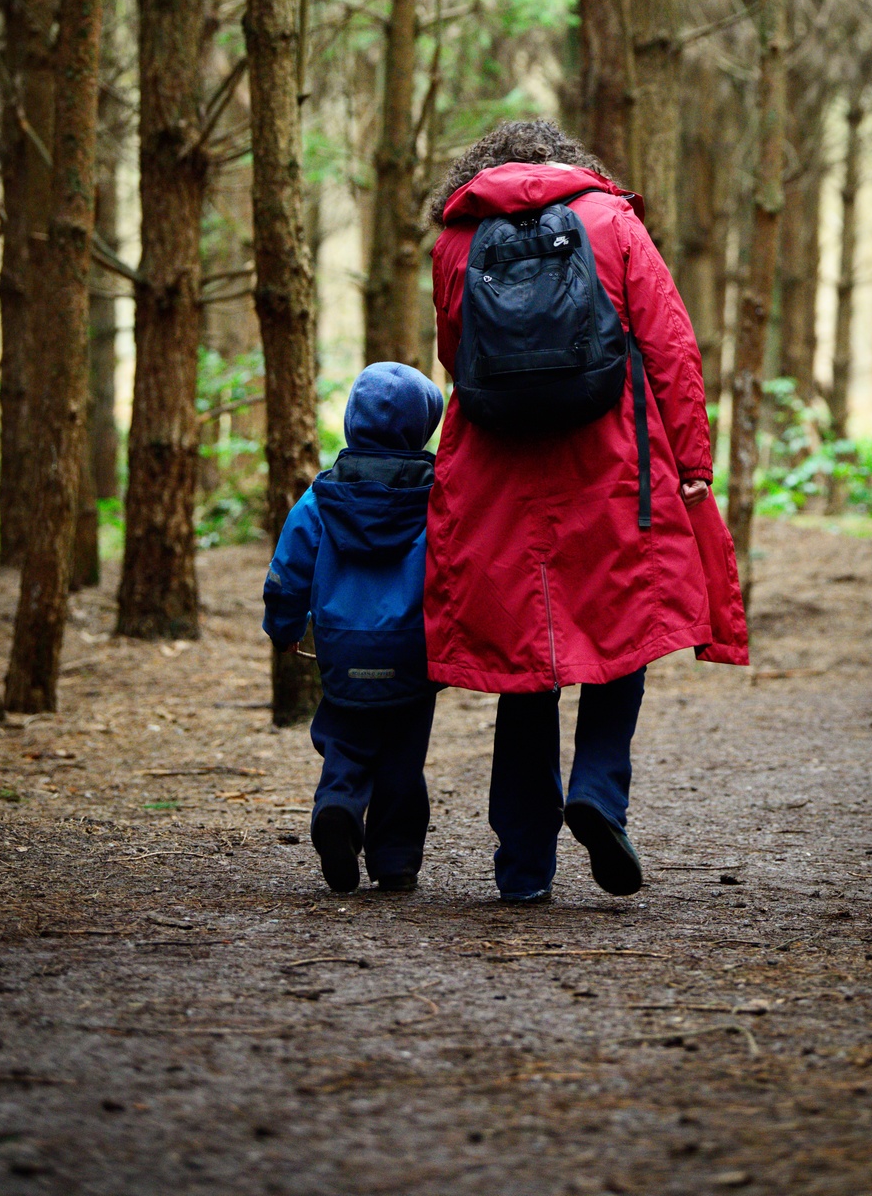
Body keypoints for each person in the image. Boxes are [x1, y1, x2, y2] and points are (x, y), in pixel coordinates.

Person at [425, 119, 749, 905]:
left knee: (525, 665)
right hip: (611, 464)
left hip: (499, 472)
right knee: (623, 631)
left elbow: (454, 352)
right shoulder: (612, 221)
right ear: (567, 160)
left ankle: (522, 867)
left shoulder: (457, 240)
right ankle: (599, 793)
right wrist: (693, 466)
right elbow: (672, 348)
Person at [263, 361, 444, 895]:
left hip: (342, 647)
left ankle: (339, 807)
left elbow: (288, 571)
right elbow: (459, 569)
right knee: (403, 756)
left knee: (346, 737)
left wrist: (284, 628)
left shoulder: (322, 497)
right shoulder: (437, 496)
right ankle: (396, 861)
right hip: (413, 648)